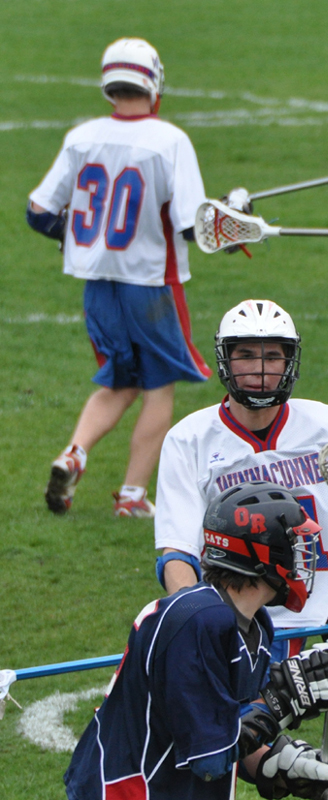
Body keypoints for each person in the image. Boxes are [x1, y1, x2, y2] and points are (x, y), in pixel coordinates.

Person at [64, 480, 328, 800]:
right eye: (295, 546)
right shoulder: (196, 621)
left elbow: (227, 731)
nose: (305, 560)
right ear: (263, 553)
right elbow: (209, 759)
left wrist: (282, 766)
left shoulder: (254, 626)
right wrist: (282, 698)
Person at [27, 37, 211, 518]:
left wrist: (88, 238)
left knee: (119, 381)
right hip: (151, 284)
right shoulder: (170, 140)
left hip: (98, 287)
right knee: (160, 385)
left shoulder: (81, 136)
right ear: (154, 81)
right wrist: (232, 217)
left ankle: (75, 454)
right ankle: (132, 497)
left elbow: (38, 212)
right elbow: (194, 225)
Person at [154, 299, 328, 662]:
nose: (259, 370)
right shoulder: (190, 439)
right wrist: (193, 620)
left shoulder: (326, 426)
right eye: (246, 354)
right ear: (226, 359)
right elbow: (177, 552)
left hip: (322, 617)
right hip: (235, 620)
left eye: (272, 357)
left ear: (289, 361)